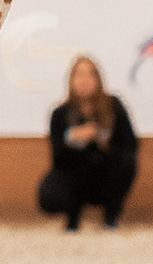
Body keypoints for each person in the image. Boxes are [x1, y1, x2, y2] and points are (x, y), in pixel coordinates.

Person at [37, 56, 137, 230]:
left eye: (89, 75)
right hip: (76, 174)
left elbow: (130, 144)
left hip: (105, 172)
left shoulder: (113, 106)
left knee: (126, 162)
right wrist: (71, 138)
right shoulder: (60, 114)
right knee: (51, 188)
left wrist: (100, 138)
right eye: (78, 75)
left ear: (98, 79)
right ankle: (72, 217)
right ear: (71, 80)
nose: (83, 80)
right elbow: (57, 157)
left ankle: (111, 217)